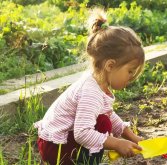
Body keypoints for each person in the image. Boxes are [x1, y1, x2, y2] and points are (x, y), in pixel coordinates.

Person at [34, 8, 145, 165]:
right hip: (56, 147)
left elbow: (109, 113)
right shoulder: (90, 91)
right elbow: (82, 134)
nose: (132, 78)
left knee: (104, 120)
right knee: (103, 124)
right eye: (130, 71)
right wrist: (117, 143)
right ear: (110, 65)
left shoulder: (97, 83)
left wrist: (132, 137)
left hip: (59, 141)